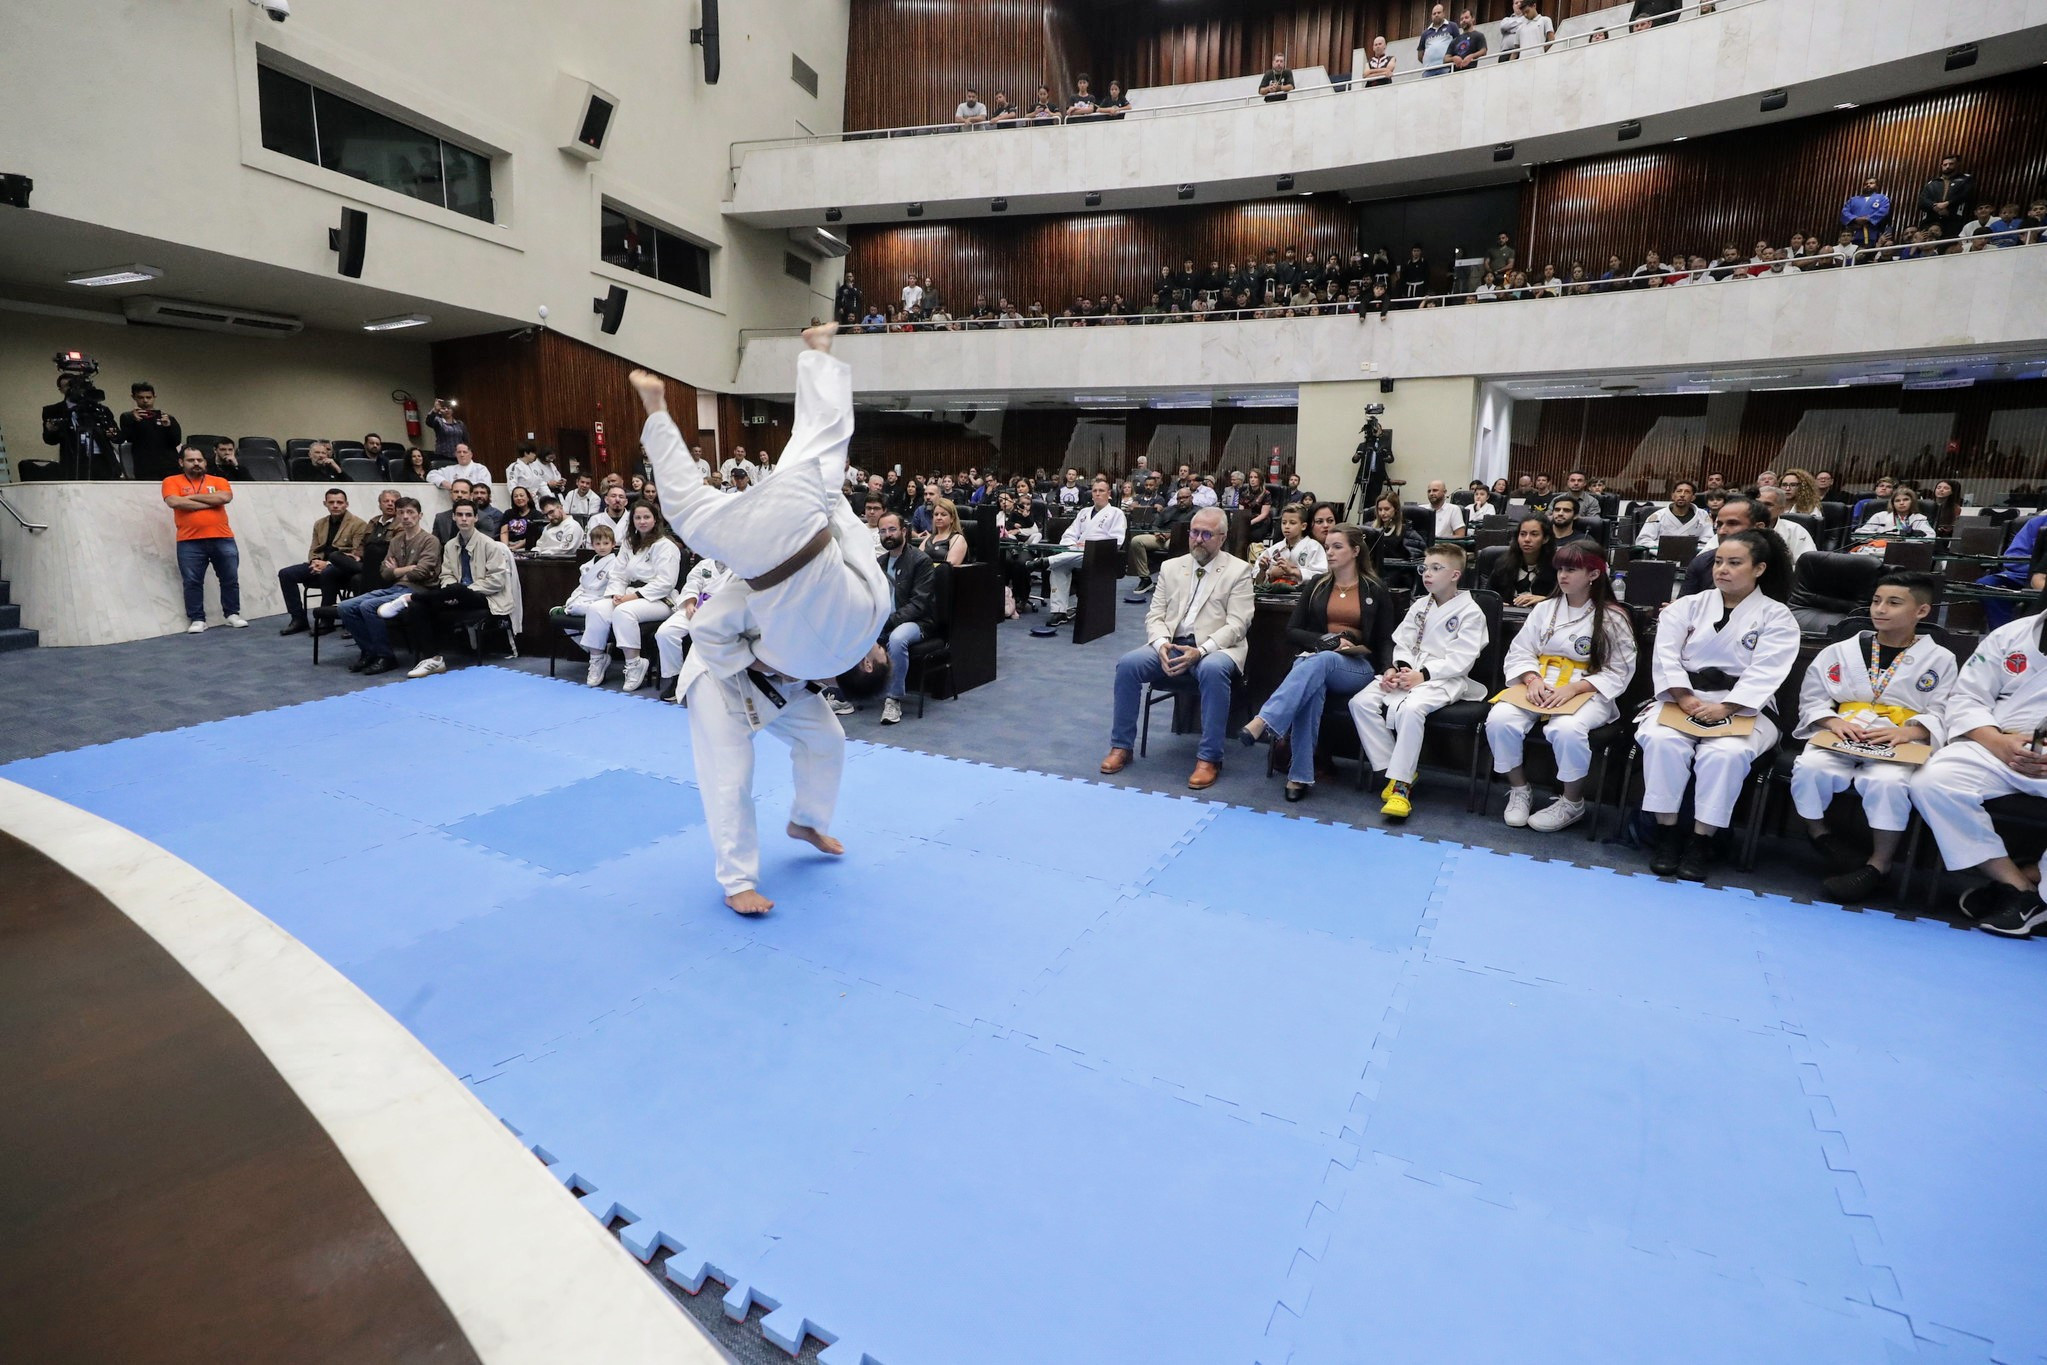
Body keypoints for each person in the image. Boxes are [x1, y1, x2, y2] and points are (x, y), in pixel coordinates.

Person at [633, 325, 892, 915]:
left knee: (819, 446)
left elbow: (854, 533)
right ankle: (737, 881)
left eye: (881, 660)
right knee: (733, 776)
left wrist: (838, 506)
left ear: (865, 664)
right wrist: (752, 660)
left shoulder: (869, 608)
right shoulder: (831, 629)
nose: (883, 653)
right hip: (724, 685)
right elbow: (710, 633)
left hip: (798, 554)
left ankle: (805, 824)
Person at [1637, 531, 1801, 881]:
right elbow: (1665, 655)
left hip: (1744, 707)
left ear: (1759, 569)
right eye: (1718, 562)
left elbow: (1768, 670)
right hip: (1682, 698)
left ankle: (1701, 839)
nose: (1722, 569)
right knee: (1662, 741)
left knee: (1724, 755)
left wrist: (1727, 706)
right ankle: (1666, 834)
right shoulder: (1687, 606)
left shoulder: (1777, 616)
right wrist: (1683, 696)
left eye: (1735, 563)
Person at [1791, 573, 1957, 902]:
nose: (1880, 609)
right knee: (1809, 767)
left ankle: (1878, 866)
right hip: (1843, 732)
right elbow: (1812, 698)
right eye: (1876, 601)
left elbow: (1945, 709)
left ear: (1921, 612)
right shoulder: (1841, 650)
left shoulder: (1941, 660)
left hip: (1898, 740)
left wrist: (1911, 730)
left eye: (1894, 603)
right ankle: (1820, 835)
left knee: (1889, 783)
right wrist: (1830, 720)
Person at [1910, 607, 2047, 936]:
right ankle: (2017, 885)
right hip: (2000, 741)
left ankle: (2036, 885)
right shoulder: (2009, 636)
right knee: (1933, 781)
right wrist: (1997, 742)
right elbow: (1967, 697)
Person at [1487, 541, 1638, 832]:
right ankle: (1519, 789)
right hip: (1541, 682)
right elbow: (1520, 651)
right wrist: (1531, 679)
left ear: (1594, 574)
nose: (1562, 576)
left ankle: (1572, 801)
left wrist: (1574, 689)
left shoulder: (1612, 616)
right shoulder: (1545, 609)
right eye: (1560, 569)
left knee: (1565, 729)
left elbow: (1619, 670)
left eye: (1571, 569)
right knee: (1499, 719)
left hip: (1587, 690)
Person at [1100, 508, 1254, 791]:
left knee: (1212, 668)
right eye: (1194, 532)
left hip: (1216, 649)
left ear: (1222, 537)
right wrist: (1160, 644)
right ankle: (1121, 746)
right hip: (1171, 645)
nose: (1198, 539)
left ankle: (1209, 758)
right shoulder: (1172, 567)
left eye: (1206, 534)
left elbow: (1238, 624)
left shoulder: (1238, 570)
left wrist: (1202, 650)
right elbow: (1155, 615)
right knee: (1128, 664)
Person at [1241, 524, 1384, 801]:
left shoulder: (1374, 589)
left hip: (1357, 666)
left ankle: (1264, 720)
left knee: (1319, 664)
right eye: (1328, 547)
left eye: (1337, 547)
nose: (1329, 552)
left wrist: (1380, 662)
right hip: (1318, 659)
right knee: (1313, 679)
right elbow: (1293, 631)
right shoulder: (1317, 585)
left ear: (1355, 551)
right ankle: (1300, 774)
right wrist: (1327, 640)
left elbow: (1384, 639)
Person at [1352, 543, 1487, 819]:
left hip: (1445, 679)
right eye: (1425, 568)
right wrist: (1397, 669)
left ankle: (1400, 788)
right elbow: (1402, 642)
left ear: (1455, 575)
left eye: (1437, 568)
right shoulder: (1420, 605)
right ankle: (1398, 770)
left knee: (1412, 710)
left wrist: (1422, 675)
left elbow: (1463, 659)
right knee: (1361, 702)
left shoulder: (1471, 612)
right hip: (1409, 673)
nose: (1427, 574)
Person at [400, 501, 514, 678]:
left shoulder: (490, 545)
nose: (464, 519)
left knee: (458, 590)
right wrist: (451, 591)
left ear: (475, 518)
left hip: (485, 596)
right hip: (455, 595)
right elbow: (446, 576)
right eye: (460, 515)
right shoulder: (450, 545)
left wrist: (463, 590)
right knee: (418, 607)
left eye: (468, 515)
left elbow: (496, 581)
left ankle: (414, 596)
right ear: (453, 517)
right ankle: (434, 659)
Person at [579, 502, 682, 691]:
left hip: (659, 599)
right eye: (637, 517)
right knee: (596, 608)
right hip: (626, 594)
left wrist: (631, 597)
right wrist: (616, 595)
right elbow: (618, 573)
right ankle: (597, 660)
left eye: (646, 517)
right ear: (632, 520)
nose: (642, 521)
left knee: (624, 612)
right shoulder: (628, 543)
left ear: (655, 519)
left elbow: (666, 582)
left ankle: (634, 664)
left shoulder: (666, 546)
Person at [336, 497, 441, 674]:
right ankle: (370, 652)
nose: (406, 517)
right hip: (396, 587)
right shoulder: (396, 541)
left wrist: (397, 570)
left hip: (418, 590)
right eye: (401, 513)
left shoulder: (430, 540)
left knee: (368, 606)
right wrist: (404, 570)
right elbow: (384, 572)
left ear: (420, 515)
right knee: (345, 606)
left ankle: (386, 657)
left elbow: (421, 573)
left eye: (410, 512)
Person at [161, 443, 246, 633]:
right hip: (189, 541)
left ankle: (232, 614)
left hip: (222, 538)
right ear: (181, 462)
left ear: (205, 462)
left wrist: (189, 499)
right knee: (192, 581)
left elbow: (224, 498)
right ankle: (198, 619)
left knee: (230, 578)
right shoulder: (171, 481)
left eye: (199, 460)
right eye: (191, 460)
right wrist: (209, 501)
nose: (196, 463)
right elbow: (173, 501)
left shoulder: (218, 480)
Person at [867, 512, 937, 726]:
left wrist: (886, 623)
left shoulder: (921, 561)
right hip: (884, 620)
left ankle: (893, 699)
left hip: (918, 622)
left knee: (897, 639)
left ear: (904, 531)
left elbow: (919, 605)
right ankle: (847, 692)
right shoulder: (878, 562)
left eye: (892, 529)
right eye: (883, 531)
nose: (887, 535)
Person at [277, 488, 368, 636]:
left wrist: (328, 564)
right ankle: (298, 619)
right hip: (319, 564)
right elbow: (314, 547)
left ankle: (326, 620)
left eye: (339, 502)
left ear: (347, 504)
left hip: (340, 568)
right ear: (325, 503)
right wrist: (315, 562)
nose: (335, 505)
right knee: (286, 574)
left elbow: (356, 553)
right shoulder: (320, 524)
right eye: (331, 502)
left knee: (328, 572)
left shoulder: (358, 524)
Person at [1042, 474, 1127, 628]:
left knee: (1059, 561)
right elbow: (1069, 534)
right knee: (1059, 567)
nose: (1097, 494)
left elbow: (1117, 542)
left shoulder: (1117, 513)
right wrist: (1073, 545)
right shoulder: (1083, 512)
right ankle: (1059, 611)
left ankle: (1046, 561)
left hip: (1099, 555)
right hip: (1076, 553)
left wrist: (1090, 546)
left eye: (1101, 491)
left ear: (1109, 494)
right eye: (1094, 491)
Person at [652, 553, 736, 702]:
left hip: (723, 612)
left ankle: (708, 685)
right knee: (665, 632)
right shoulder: (705, 565)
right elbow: (692, 584)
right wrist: (690, 604)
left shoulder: (741, 566)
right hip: (696, 607)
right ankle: (675, 678)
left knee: (703, 637)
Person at [42, 370, 121, 480]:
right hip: (75, 461)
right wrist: (51, 430)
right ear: (60, 390)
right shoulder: (53, 410)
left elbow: (118, 436)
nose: (71, 389)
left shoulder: (99, 409)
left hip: (103, 460)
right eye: (66, 386)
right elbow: (49, 440)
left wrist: (112, 433)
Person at [119, 381, 183, 480]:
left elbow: (176, 441)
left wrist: (168, 426)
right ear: (134, 397)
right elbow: (127, 438)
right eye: (141, 397)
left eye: (148, 397)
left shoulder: (167, 417)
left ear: (154, 397)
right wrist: (134, 421)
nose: (145, 400)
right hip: (144, 464)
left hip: (169, 463)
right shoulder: (128, 417)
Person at [1489, 514, 1556, 606]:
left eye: (1534, 534)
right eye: (1523, 534)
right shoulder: (1503, 564)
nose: (1527, 539)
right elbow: (1488, 596)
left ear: (1545, 539)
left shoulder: (1557, 567)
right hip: (1508, 616)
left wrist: (1546, 600)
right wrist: (1495, 603)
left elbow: (1567, 601)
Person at [1254, 503, 1327, 584]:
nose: (1287, 526)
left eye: (1292, 523)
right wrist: (1265, 571)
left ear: (1303, 526)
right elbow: (1256, 580)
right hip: (1274, 594)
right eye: (1284, 522)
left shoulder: (1314, 547)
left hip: (1303, 594)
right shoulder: (1274, 550)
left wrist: (1294, 571)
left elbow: (1322, 576)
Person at [1854, 484, 1934, 548]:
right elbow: (1859, 533)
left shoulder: (1919, 518)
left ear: (1912, 502)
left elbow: (1930, 537)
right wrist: (1882, 537)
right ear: (1892, 503)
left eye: (1906, 500)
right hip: (1880, 550)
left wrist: (1902, 539)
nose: (1901, 503)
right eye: (1897, 500)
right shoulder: (1880, 516)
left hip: (1908, 551)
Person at [1633, 480, 1710, 548]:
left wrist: (1690, 548)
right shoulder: (1658, 516)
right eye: (1679, 491)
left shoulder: (1703, 515)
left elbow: (1708, 540)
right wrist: (1666, 547)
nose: (1682, 495)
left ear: (1693, 497)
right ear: (1673, 496)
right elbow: (1642, 540)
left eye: (1687, 492)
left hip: (1692, 558)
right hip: (1661, 558)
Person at [1916, 153, 1975, 239]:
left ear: (1957, 165)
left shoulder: (1965, 179)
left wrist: (1948, 204)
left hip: (1953, 220)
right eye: (1945, 164)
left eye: (1951, 164)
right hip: (1932, 221)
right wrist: (1934, 206)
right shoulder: (1933, 182)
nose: (1947, 166)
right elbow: (1922, 201)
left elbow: (1966, 195)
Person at [1841, 176, 1892, 248]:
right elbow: (1845, 212)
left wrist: (1868, 219)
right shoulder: (1853, 199)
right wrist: (1855, 219)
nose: (1868, 185)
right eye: (1866, 184)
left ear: (1877, 186)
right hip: (1854, 234)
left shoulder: (1882, 198)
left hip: (1873, 233)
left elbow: (1884, 211)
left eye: (1871, 183)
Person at [920, 497, 970, 568]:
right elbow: (915, 560)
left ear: (952, 518)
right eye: (936, 514)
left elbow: (948, 567)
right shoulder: (929, 537)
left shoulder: (958, 538)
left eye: (943, 515)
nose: (939, 518)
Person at [426, 442, 492, 495]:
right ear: (455, 454)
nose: (462, 455)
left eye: (464, 452)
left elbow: (485, 487)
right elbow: (430, 475)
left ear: (471, 454)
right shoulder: (449, 469)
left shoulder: (480, 469)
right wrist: (444, 482)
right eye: (459, 452)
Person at [498, 485, 543, 551]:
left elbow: (533, 536)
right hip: (509, 545)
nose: (519, 498)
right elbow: (504, 532)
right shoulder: (508, 513)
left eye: (521, 495)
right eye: (515, 496)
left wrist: (515, 548)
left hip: (526, 547)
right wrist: (506, 548)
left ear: (528, 498)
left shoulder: (537, 514)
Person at [1417, 2, 1456, 75]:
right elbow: (1420, 54)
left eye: (1439, 12)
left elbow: (1458, 44)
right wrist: (1428, 62)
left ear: (1444, 13)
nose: (1436, 15)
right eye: (1434, 14)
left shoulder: (1452, 26)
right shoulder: (1425, 33)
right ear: (1431, 16)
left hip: (1446, 67)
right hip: (1428, 70)